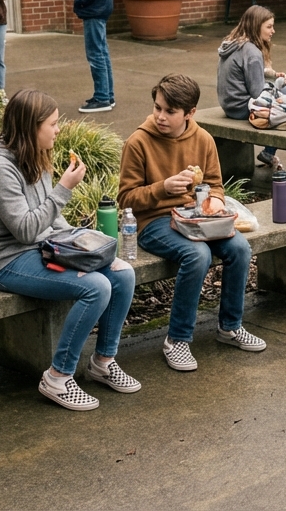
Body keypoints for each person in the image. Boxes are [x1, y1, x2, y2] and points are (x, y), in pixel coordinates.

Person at [0, 89, 138, 411]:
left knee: (122, 273)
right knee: (96, 288)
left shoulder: (35, 154)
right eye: (52, 123)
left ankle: (103, 362)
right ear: (31, 128)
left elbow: (52, 219)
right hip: (7, 260)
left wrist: (90, 250)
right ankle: (58, 376)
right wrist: (64, 189)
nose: (58, 129)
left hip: (44, 248)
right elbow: (25, 230)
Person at [118, 74, 265, 371]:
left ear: (190, 113)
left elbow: (214, 185)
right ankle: (178, 339)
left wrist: (216, 202)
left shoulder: (203, 139)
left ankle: (230, 327)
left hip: (197, 218)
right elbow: (126, 199)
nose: (160, 116)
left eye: (170, 112)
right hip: (153, 222)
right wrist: (163, 188)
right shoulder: (138, 142)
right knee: (197, 255)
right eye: (158, 108)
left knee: (239, 248)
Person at [218, 4, 286, 169]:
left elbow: (244, 73)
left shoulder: (233, 43)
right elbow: (257, 93)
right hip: (243, 108)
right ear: (257, 27)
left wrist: (270, 74)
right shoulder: (252, 52)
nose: (273, 31)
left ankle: (268, 153)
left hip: (229, 104)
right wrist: (277, 87)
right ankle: (269, 152)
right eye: (269, 27)